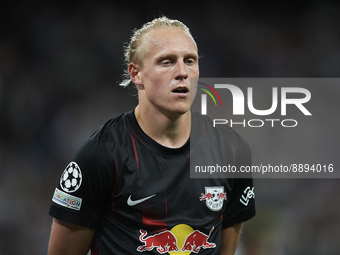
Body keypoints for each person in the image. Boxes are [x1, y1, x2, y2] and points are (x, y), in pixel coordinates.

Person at [48, 16, 255, 255]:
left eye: (190, 61)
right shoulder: (102, 153)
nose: (182, 72)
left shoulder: (231, 149)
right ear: (136, 74)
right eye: (167, 62)